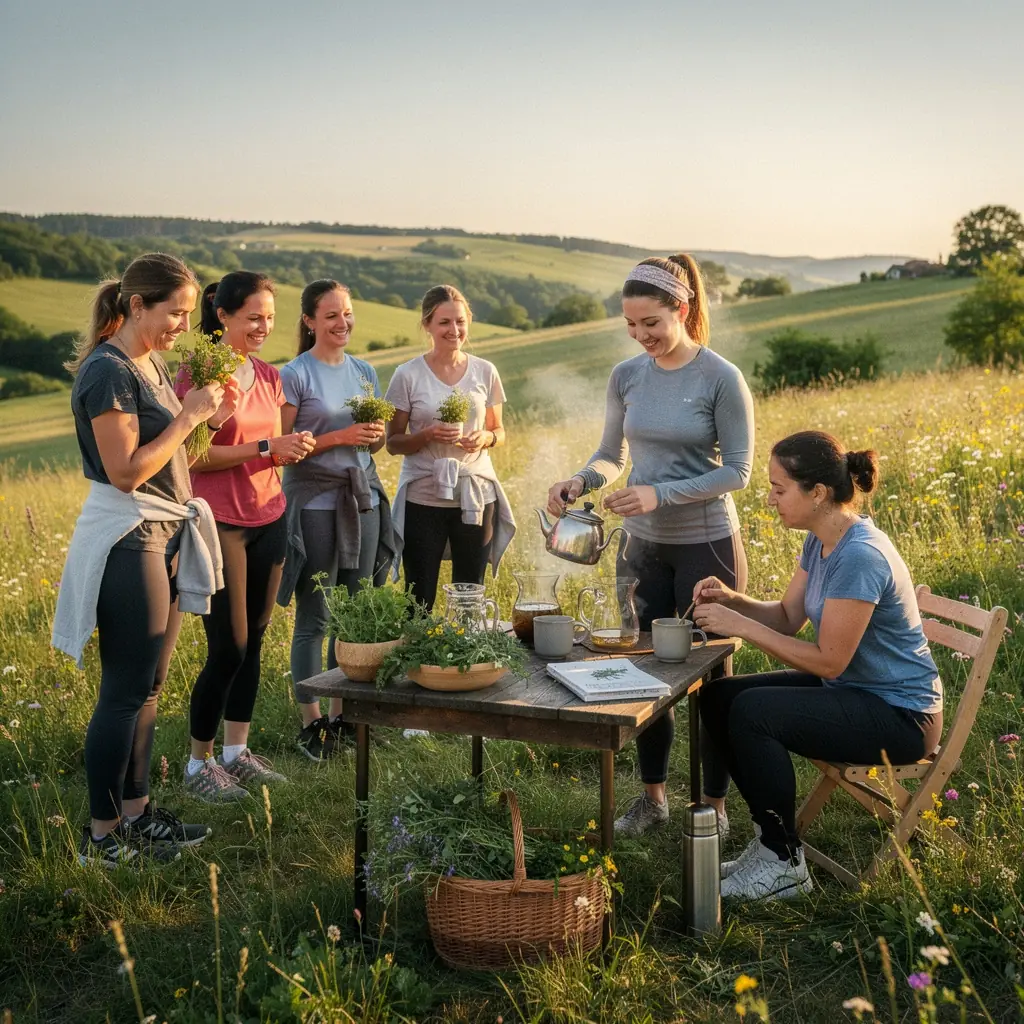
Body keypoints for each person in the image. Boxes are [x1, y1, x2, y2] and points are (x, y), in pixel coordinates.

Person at [546, 255, 754, 838]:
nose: (642, 337)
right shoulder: (627, 376)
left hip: (706, 546)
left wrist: (660, 494)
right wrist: (582, 481)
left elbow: (738, 472)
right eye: (631, 326)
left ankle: (714, 804)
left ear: (681, 310)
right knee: (642, 671)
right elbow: (611, 454)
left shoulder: (720, 376)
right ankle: (654, 798)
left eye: (652, 324)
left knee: (712, 680)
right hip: (641, 550)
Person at [693, 431, 943, 901]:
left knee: (753, 713)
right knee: (720, 697)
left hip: (902, 716)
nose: (770, 499)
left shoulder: (860, 556)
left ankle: (783, 862)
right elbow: (787, 618)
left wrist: (738, 627)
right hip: (856, 690)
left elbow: (830, 659)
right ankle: (772, 844)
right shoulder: (820, 541)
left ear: (819, 493)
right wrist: (734, 601)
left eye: (779, 488)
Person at [53, 253, 231, 867]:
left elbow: (169, 455)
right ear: (136, 306)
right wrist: (187, 416)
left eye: (188, 313)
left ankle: (138, 815)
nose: (184, 324)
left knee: (151, 687)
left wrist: (209, 420)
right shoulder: (108, 371)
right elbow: (127, 472)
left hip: (164, 532)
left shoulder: (147, 362)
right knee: (125, 691)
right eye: (175, 312)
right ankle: (101, 837)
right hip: (128, 538)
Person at [174, 272, 315, 799]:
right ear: (224, 314)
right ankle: (197, 764)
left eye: (270, 318)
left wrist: (287, 447)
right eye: (253, 317)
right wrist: (263, 448)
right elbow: (190, 456)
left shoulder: (271, 375)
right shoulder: (198, 374)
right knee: (228, 647)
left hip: (269, 516)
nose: (263, 326)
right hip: (221, 524)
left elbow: (270, 444)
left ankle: (237, 753)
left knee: (255, 641)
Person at [277, 279, 396, 760]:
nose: (342, 323)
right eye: (331, 316)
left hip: (361, 500)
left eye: (347, 313)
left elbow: (377, 442)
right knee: (315, 617)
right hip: (315, 505)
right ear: (309, 321)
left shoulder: (364, 370)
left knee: (355, 615)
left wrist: (373, 437)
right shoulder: (294, 374)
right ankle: (312, 723)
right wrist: (337, 435)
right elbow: (280, 449)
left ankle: (344, 716)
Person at [385, 284, 515, 611]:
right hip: (423, 497)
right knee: (419, 600)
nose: (453, 330)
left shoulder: (485, 371)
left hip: (475, 494)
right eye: (444, 322)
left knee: (470, 596)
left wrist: (485, 438)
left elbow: (499, 430)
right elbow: (393, 443)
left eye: (460, 321)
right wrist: (428, 434)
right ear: (427, 325)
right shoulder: (407, 375)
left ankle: (466, 662)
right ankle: (420, 661)